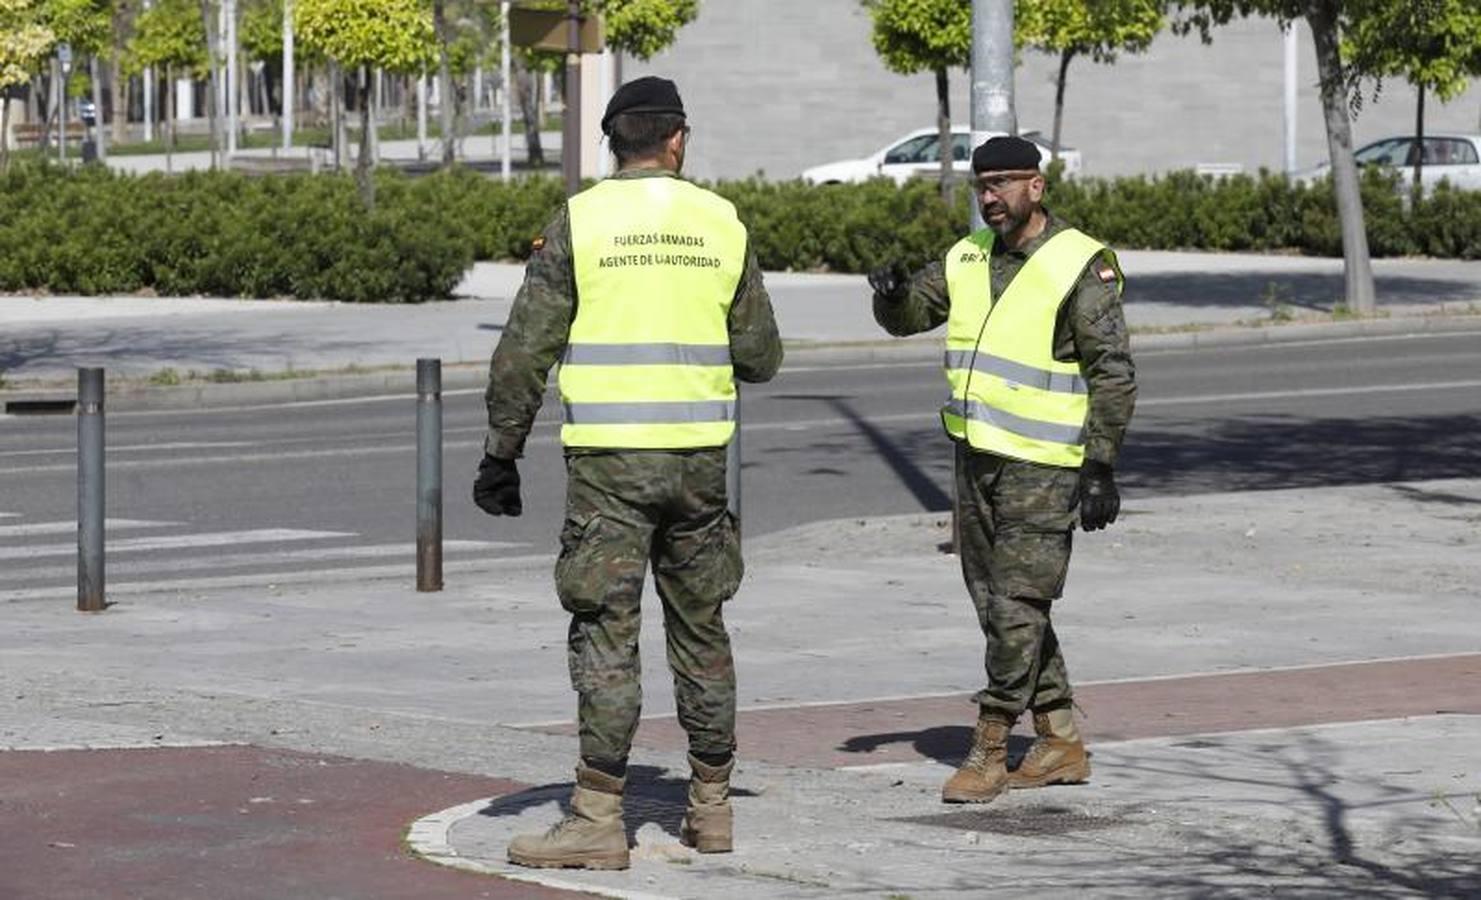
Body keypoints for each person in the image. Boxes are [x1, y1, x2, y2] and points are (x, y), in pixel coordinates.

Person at [473, 75, 783, 869]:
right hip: (699, 467)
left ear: (615, 142)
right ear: (677, 140)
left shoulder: (580, 221)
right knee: (702, 629)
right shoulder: (722, 223)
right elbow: (760, 357)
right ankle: (711, 810)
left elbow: (524, 352)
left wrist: (501, 454)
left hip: (611, 466)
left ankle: (596, 818)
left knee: (606, 632)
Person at [867, 135, 1136, 804]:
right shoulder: (967, 258)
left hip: (1043, 467)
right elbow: (907, 320)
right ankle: (1059, 741)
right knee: (999, 605)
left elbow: (1113, 373)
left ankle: (988, 749)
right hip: (975, 460)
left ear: (1036, 188)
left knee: (1016, 607)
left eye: (1002, 185)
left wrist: (1099, 465)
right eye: (980, 186)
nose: (989, 197)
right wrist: (891, 296)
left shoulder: (1078, 264)